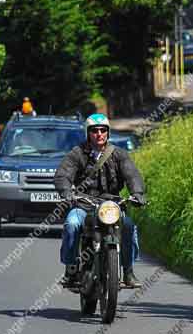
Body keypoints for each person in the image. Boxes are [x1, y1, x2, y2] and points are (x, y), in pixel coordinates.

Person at [54, 114, 146, 287]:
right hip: (84, 204)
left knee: (129, 227)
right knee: (72, 224)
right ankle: (71, 268)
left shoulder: (119, 154)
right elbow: (62, 175)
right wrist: (66, 191)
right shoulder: (77, 153)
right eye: (95, 131)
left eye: (103, 130)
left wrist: (138, 193)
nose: (99, 134)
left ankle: (128, 271)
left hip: (111, 205)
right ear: (88, 133)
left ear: (108, 133)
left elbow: (132, 175)